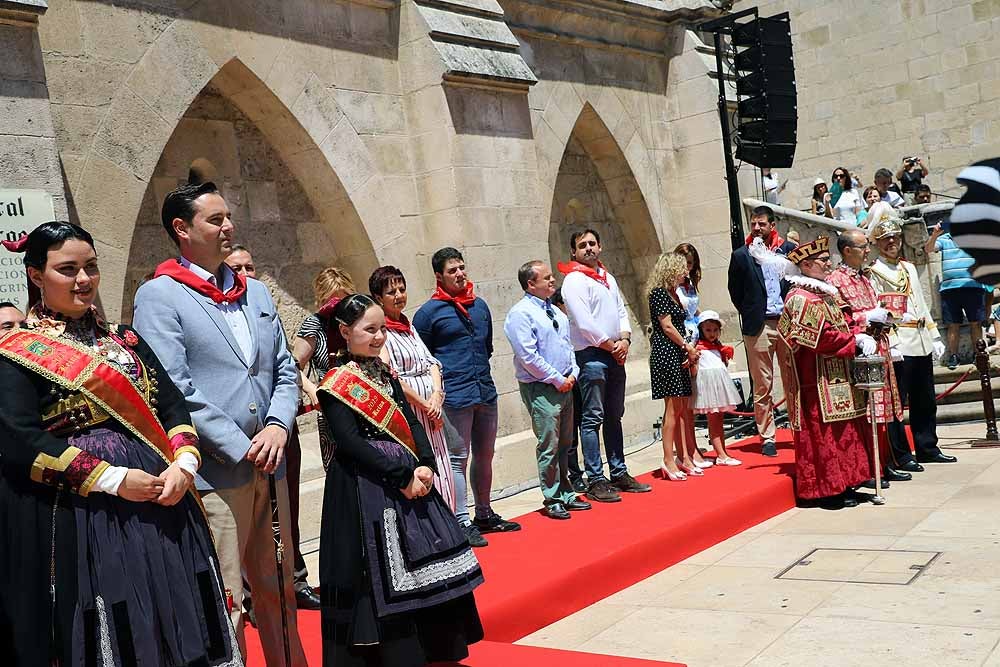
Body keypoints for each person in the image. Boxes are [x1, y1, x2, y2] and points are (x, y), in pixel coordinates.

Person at [0, 222, 240, 667]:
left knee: (181, 608)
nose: (84, 280)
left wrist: (184, 465)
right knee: (120, 620)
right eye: (67, 269)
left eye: (90, 267)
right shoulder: (16, 352)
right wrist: (112, 479)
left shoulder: (125, 339)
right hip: (89, 510)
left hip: (163, 496)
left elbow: (172, 406)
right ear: (36, 276)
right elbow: (21, 442)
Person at [133, 182, 307, 665]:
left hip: (269, 462)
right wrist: (241, 443)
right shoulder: (158, 295)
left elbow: (283, 369)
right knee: (227, 597)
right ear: (182, 229)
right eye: (215, 220)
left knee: (279, 587)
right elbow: (174, 387)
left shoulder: (255, 291)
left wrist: (276, 426)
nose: (228, 226)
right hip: (216, 471)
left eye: (228, 217)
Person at [315, 294, 484, 666]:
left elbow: (408, 421)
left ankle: (432, 645)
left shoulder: (386, 374)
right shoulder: (335, 384)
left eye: (381, 330)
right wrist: (402, 475)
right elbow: (350, 442)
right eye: (369, 329)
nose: (378, 337)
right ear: (345, 331)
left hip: (410, 479)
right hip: (366, 486)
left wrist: (425, 462)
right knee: (377, 572)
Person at [229, 247, 321, 614]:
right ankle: (250, 594)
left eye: (252, 266)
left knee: (288, 509)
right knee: (248, 521)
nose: (247, 272)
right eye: (238, 267)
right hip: (240, 437)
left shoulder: (264, 308)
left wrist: (281, 421)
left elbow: (286, 366)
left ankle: (294, 579)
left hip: (282, 428)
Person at [414, 247, 520, 547]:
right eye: (452, 270)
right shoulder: (428, 314)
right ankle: (460, 520)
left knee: (485, 454)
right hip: (455, 396)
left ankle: (484, 513)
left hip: (484, 390)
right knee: (458, 458)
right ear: (439, 276)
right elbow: (425, 357)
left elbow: (486, 347)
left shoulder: (480, 306)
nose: (460, 274)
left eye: (462, 267)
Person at [777, 236, 876, 509]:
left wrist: (859, 331)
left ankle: (847, 483)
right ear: (806, 265)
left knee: (845, 430)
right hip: (816, 381)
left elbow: (842, 323)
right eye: (823, 260)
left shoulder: (824, 293)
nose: (828, 263)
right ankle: (828, 489)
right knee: (826, 435)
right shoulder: (800, 298)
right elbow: (817, 338)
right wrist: (852, 342)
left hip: (838, 374)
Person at [559, 229, 652, 501]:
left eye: (592, 243)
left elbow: (621, 311)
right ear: (573, 252)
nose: (588, 248)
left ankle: (619, 470)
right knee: (592, 418)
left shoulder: (607, 277)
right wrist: (610, 345)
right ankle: (596, 478)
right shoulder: (574, 280)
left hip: (614, 352)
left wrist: (624, 339)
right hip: (592, 355)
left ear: (600, 246)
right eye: (582, 245)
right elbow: (583, 321)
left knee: (614, 415)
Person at [867, 206, 958, 470]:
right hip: (899, 342)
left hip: (920, 340)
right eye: (886, 239)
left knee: (925, 399)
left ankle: (927, 446)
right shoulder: (875, 271)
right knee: (899, 403)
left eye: (895, 237)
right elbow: (879, 311)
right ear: (877, 242)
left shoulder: (907, 267)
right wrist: (890, 339)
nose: (892, 242)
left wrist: (934, 335)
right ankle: (902, 454)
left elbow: (921, 304)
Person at [504, 261, 592, 519]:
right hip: (542, 387)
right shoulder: (520, 314)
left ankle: (566, 491)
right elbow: (528, 356)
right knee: (549, 443)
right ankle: (552, 496)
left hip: (565, 383)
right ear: (531, 284)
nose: (553, 281)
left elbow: (568, 347)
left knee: (565, 442)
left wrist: (573, 373)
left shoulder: (556, 312)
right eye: (547, 278)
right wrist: (556, 378)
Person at [370, 265, 457, 511]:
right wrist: (424, 404)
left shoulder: (408, 325)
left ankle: (454, 518)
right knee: (427, 463)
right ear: (379, 298)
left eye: (402, 289)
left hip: (432, 405)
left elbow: (431, 362)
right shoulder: (383, 333)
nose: (399, 295)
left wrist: (437, 395)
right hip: (413, 411)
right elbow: (392, 375)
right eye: (391, 292)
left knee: (444, 462)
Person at [828, 228, 911, 485]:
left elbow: (876, 305)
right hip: (859, 350)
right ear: (847, 250)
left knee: (883, 409)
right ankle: (869, 467)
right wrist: (867, 319)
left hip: (880, 345)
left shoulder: (865, 277)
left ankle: (885, 462)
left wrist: (888, 317)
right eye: (863, 247)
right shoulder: (835, 280)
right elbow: (840, 319)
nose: (867, 251)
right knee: (866, 411)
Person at [727, 205, 797, 457]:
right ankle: (767, 436)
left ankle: (798, 428)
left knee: (793, 380)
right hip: (759, 325)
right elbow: (735, 291)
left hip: (787, 323)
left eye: (761, 224)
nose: (757, 228)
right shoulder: (742, 255)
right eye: (753, 224)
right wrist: (751, 310)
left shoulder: (787, 251)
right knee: (762, 384)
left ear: (772, 226)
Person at [295, 266, 357, 470]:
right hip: (332, 410)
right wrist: (313, 390)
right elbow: (293, 366)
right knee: (340, 472)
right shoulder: (314, 325)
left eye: (343, 299)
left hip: (363, 402)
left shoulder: (357, 321)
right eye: (332, 299)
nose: (337, 305)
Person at [647, 252, 699, 481]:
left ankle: (684, 457)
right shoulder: (658, 293)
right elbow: (666, 326)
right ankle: (668, 459)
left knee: (680, 409)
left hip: (677, 352)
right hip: (666, 352)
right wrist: (687, 346)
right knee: (671, 409)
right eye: (680, 268)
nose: (685, 272)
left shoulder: (673, 294)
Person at [925, 221, 993, 369]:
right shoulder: (944, 239)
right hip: (950, 289)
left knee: (975, 323)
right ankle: (953, 356)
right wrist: (935, 234)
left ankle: (979, 354)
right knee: (952, 325)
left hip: (973, 287)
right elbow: (928, 249)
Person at [692, 311, 743, 466]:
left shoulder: (718, 348)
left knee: (719, 420)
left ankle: (723, 452)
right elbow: (696, 370)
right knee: (713, 420)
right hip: (708, 389)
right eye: (708, 330)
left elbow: (722, 365)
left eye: (715, 330)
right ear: (701, 330)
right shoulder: (699, 348)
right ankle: (720, 454)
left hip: (719, 387)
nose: (712, 334)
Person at [552, 287, 587, 493]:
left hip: (579, 375)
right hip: (564, 380)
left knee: (584, 423)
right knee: (569, 432)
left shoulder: (576, 323)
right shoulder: (556, 322)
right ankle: (573, 475)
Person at [674, 242, 702, 341]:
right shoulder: (670, 285)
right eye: (682, 261)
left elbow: (694, 309)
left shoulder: (690, 284)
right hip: (680, 335)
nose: (685, 265)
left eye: (689, 262)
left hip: (695, 332)